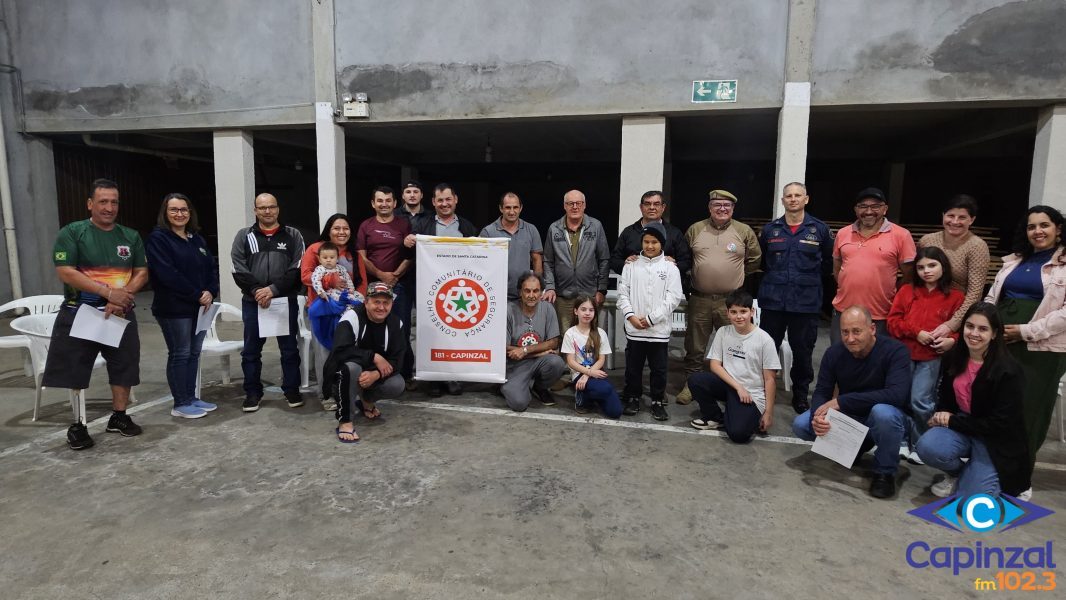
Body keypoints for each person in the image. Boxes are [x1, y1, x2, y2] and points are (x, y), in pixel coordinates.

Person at [43, 178, 148, 450]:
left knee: (124, 366)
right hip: (80, 312)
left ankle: (119, 416)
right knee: (76, 370)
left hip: (120, 314)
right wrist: (107, 292)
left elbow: (141, 272)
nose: (109, 207)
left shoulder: (130, 236)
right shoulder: (72, 232)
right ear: (90, 203)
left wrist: (121, 296)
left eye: (114, 202)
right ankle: (78, 424)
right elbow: (66, 272)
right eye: (103, 201)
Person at [791, 306, 912, 499]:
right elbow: (822, 390)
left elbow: (897, 395)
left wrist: (842, 401)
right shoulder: (834, 353)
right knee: (802, 424)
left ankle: (884, 473)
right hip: (853, 415)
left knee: (883, 414)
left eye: (857, 331)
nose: (850, 338)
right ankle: (853, 448)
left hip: (884, 418)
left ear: (872, 329)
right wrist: (817, 417)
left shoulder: (896, 351)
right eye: (845, 332)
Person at [985, 205, 1066, 490]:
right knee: (995, 406)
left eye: (1044, 225)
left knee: (1028, 412)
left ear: (1058, 229)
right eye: (1032, 227)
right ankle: (988, 470)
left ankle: (1018, 479)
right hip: (1001, 343)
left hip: (1042, 349)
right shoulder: (1014, 260)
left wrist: (1025, 331)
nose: (1037, 231)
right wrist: (988, 325)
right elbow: (993, 296)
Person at [915, 302, 1029, 499]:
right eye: (970, 326)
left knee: (971, 502)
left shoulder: (1008, 371)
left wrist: (951, 421)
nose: (974, 333)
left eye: (983, 329)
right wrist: (942, 415)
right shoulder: (953, 357)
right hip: (964, 427)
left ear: (994, 334)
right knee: (926, 447)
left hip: (995, 439)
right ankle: (959, 473)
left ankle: (983, 475)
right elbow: (945, 398)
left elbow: (999, 424)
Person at [678, 189, 761, 405]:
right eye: (717, 205)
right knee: (695, 346)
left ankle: (732, 386)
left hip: (732, 302)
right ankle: (691, 384)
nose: (722, 209)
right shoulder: (696, 229)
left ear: (733, 208)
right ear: (709, 207)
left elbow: (755, 259)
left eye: (727, 205)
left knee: (734, 345)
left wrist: (735, 276)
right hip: (700, 299)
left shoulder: (743, 231)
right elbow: (685, 257)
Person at [757, 182, 833, 413]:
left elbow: (828, 263)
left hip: (805, 303)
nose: (793, 199)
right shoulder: (771, 230)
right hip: (773, 301)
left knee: (803, 351)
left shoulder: (819, 230)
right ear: (783, 201)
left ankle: (800, 394)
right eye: (788, 196)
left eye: (797, 195)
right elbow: (763, 262)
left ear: (806, 199)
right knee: (767, 348)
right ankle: (763, 388)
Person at [145, 193, 220, 419]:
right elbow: (167, 274)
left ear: (190, 212)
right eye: (174, 210)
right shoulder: (158, 239)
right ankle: (180, 403)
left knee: (194, 353)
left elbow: (211, 267)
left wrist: (211, 291)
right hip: (174, 308)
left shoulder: (195, 238)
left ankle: (191, 397)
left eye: (184, 209)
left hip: (200, 307)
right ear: (165, 213)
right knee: (180, 353)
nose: (180, 214)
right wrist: (197, 294)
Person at [231, 192, 306, 413]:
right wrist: (257, 291)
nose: (267, 211)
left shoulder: (293, 235)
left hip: (284, 301)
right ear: (255, 210)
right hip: (253, 302)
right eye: (262, 207)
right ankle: (252, 393)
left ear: (278, 209)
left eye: (271, 207)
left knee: (289, 350)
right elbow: (238, 267)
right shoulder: (244, 236)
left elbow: (297, 268)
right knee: (251, 351)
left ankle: (291, 390)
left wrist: (273, 290)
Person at [886, 247, 963, 461]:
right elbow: (893, 321)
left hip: (931, 357)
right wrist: (916, 332)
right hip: (903, 355)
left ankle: (921, 443)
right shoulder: (906, 291)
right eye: (921, 267)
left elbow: (962, 328)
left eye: (932, 265)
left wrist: (952, 340)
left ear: (943, 267)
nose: (926, 271)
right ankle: (902, 440)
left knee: (921, 400)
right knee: (901, 398)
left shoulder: (955, 297)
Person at [406, 183, 478, 396]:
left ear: (455, 200)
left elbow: (478, 257)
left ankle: (452, 376)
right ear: (433, 202)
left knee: (455, 334)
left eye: (448, 199)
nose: (444, 204)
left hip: (458, 291)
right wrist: (408, 240)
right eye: (440, 200)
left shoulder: (467, 227)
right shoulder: (422, 225)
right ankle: (433, 379)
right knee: (430, 334)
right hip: (429, 290)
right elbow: (411, 254)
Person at [687, 289, 780, 443]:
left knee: (738, 434)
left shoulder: (764, 340)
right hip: (731, 386)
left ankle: (740, 415)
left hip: (751, 394)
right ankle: (715, 417)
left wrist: (768, 412)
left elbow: (770, 380)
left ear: (752, 312)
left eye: (743, 311)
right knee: (696, 380)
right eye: (734, 312)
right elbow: (715, 365)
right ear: (728, 313)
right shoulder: (723, 332)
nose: (738, 316)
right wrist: (738, 387)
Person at [322, 282, 407, 443]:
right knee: (351, 368)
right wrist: (374, 357)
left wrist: (376, 374)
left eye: (386, 303)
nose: (381, 307)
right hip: (345, 372)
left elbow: (399, 359)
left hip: (372, 371)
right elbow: (339, 352)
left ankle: (367, 399)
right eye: (376, 302)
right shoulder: (350, 318)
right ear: (366, 302)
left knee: (397, 384)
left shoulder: (396, 323)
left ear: (392, 304)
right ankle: (345, 420)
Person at [830, 187, 916, 345]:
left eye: (875, 206)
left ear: (885, 209)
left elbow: (909, 274)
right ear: (856, 210)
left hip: (880, 315)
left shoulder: (901, 235)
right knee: (839, 356)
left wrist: (892, 292)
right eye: (863, 206)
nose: (868, 211)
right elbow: (837, 269)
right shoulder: (843, 233)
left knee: (876, 358)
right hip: (844, 311)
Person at [300, 213, 367, 410]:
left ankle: (347, 391)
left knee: (348, 351)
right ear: (328, 230)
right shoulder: (315, 249)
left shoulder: (354, 254)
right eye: (337, 228)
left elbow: (362, 282)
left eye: (345, 228)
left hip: (348, 311)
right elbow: (305, 276)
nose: (341, 232)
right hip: (322, 310)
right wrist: (329, 281)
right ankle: (326, 394)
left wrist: (357, 304)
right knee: (324, 353)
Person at [617, 223, 684, 420]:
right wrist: (631, 316)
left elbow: (673, 298)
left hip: (658, 330)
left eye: (654, 242)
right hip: (635, 328)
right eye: (646, 242)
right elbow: (623, 294)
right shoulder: (631, 265)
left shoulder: (670, 268)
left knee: (659, 369)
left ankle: (657, 401)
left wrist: (650, 319)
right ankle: (633, 397)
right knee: (633, 367)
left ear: (662, 243)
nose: (649, 246)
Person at [357, 186, 414, 388]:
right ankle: (375, 369)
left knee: (401, 329)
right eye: (380, 201)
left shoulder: (403, 224)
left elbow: (410, 255)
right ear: (373, 203)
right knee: (373, 329)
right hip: (373, 286)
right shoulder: (366, 226)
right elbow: (362, 257)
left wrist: (395, 276)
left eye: (388, 200)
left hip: (399, 287)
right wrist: (382, 275)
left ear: (395, 203)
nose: (384, 204)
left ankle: (405, 373)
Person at [918, 195, 990, 339]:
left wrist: (951, 325)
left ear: (972, 220)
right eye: (950, 216)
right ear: (943, 216)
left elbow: (975, 293)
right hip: (923, 307)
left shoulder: (977, 246)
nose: (955, 221)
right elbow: (917, 278)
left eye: (962, 217)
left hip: (955, 312)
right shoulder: (927, 240)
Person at [541, 189, 611, 331]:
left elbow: (604, 259)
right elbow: (548, 261)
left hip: (589, 295)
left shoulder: (595, 226)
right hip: (563, 296)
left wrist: (602, 290)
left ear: (584, 205)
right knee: (565, 336)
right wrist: (550, 286)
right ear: (564, 206)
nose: (575, 207)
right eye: (570, 203)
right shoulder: (554, 228)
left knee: (590, 336)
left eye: (578, 203)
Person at [502, 272, 568, 411]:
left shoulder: (548, 308)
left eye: (536, 291)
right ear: (520, 292)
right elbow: (503, 348)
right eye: (527, 291)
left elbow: (553, 342)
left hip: (538, 362)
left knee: (556, 363)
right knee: (518, 404)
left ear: (541, 292)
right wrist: (539, 352)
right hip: (514, 365)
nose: (531, 295)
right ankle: (513, 385)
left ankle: (539, 387)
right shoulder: (508, 310)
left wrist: (525, 350)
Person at [562, 294, 622, 418]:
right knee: (605, 389)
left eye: (591, 310)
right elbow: (571, 362)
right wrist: (586, 373)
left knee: (615, 412)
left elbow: (601, 360)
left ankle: (592, 395)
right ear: (576, 311)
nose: (587, 313)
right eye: (583, 309)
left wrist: (588, 374)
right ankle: (582, 396)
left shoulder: (601, 333)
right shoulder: (570, 333)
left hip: (595, 371)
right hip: (579, 373)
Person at [610, 190, 691, 278]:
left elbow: (686, 261)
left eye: (656, 204)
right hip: (634, 282)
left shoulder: (675, 233)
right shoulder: (628, 232)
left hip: (665, 283)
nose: (652, 207)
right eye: (647, 204)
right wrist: (625, 265)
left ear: (663, 207)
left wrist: (674, 266)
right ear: (641, 207)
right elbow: (614, 260)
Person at [480, 192, 544, 301]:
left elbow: (536, 259)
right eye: (508, 207)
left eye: (515, 207)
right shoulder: (488, 232)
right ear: (501, 208)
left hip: (525, 294)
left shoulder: (531, 230)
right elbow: (481, 263)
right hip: (495, 294)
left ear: (521, 208)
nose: (512, 212)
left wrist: (538, 287)